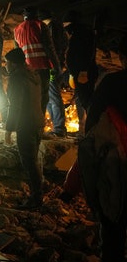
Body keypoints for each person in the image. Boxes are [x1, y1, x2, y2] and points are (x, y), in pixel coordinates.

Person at [78, 41, 127, 261]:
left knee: (112, 220)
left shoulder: (112, 83)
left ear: (122, 58)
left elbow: (92, 123)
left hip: (116, 161)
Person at [3, 48, 44, 209]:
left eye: (6, 62)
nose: (5, 65)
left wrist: (8, 130)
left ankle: (36, 200)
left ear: (12, 64)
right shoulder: (33, 75)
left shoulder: (16, 79)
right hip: (37, 122)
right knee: (33, 161)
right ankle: (37, 195)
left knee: (29, 163)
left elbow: (15, 107)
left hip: (26, 125)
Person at [13, 6, 62, 132]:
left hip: (28, 69)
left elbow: (17, 52)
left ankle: (30, 126)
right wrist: (56, 66)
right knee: (44, 97)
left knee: (32, 98)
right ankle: (40, 129)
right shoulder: (40, 25)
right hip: (42, 66)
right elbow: (49, 47)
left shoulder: (17, 29)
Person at [63, 9, 98, 137]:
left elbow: (87, 54)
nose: (66, 29)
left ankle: (90, 130)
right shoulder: (81, 32)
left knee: (86, 100)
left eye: (66, 26)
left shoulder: (82, 34)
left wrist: (83, 71)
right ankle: (85, 128)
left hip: (84, 73)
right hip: (80, 73)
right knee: (81, 99)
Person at [37, 8, 68, 138]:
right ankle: (57, 127)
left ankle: (59, 128)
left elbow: (52, 48)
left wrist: (54, 65)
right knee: (50, 97)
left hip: (51, 67)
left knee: (53, 97)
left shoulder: (50, 28)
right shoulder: (56, 27)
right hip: (55, 65)